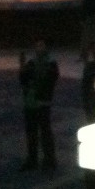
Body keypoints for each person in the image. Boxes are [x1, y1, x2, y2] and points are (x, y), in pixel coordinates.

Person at [19, 38, 60, 171]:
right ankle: (32, 159)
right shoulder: (31, 62)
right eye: (37, 45)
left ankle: (49, 160)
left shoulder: (51, 63)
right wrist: (22, 69)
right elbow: (23, 80)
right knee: (31, 132)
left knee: (45, 132)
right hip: (30, 102)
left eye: (41, 45)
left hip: (43, 102)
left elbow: (51, 81)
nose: (39, 48)